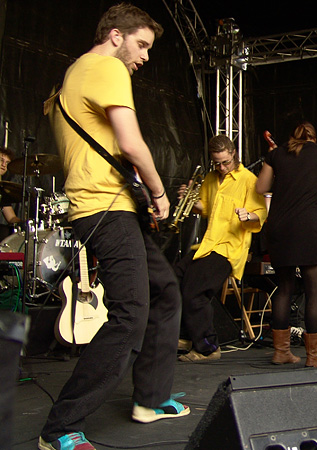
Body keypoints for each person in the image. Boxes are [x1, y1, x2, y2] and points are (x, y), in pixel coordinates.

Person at [40, 4, 188, 450]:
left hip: (111, 205)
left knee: (165, 292)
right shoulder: (106, 67)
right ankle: (60, 427)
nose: (145, 56)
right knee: (130, 314)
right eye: (141, 44)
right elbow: (131, 143)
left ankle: (150, 399)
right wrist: (160, 193)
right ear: (116, 36)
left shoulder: (71, 76)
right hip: (105, 207)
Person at [256, 121, 317, 368]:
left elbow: (261, 187)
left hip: (279, 228)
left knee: (284, 288)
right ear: (313, 137)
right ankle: (314, 357)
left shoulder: (276, 154)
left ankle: (281, 352)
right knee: (314, 291)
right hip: (306, 228)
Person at [176, 135, 267, 363]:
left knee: (195, 292)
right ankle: (186, 336)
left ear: (234, 154)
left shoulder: (248, 180)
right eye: (217, 163)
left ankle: (208, 348)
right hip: (208, 245)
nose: (222, 168)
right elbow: (206, 208)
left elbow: (262, 213)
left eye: (225, 162)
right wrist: (189, 200)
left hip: (229, 248)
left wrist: (248, 215)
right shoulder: (210, 178)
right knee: (175, 278)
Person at [0, 147, 21, 240]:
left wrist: (25, 223)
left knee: (6, 232)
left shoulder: (2, 189)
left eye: (7, 162)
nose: (3, 165)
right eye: (1, 160)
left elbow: (11, 218)